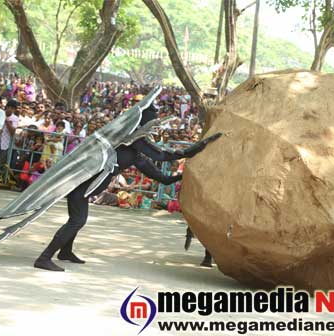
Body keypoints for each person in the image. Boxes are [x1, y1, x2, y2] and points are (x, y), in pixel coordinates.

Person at [33, 105, 222, 271]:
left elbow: (162, 178)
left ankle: (65, 252)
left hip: (87, 189)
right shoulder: (129, 141)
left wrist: (185, 174)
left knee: (77, 219)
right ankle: (44, 257)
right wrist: (200, 145)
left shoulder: (135, 154)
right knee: (77, 221)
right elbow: (167, 155)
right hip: (82, 186)